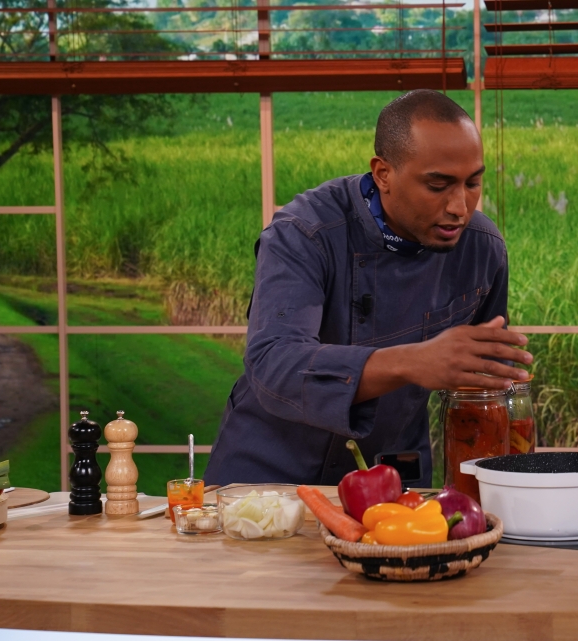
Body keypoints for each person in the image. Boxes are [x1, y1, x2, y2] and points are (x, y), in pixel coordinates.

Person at [206, 90, 531, 487]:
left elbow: (485, 381)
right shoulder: (305, 234)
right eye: (437, 185)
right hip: (270, 477)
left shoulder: (482, 246)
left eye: (473, 183)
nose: (460, 207)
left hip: (392, 475)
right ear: (383, 174)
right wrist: (412, 361)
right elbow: (275, 362)